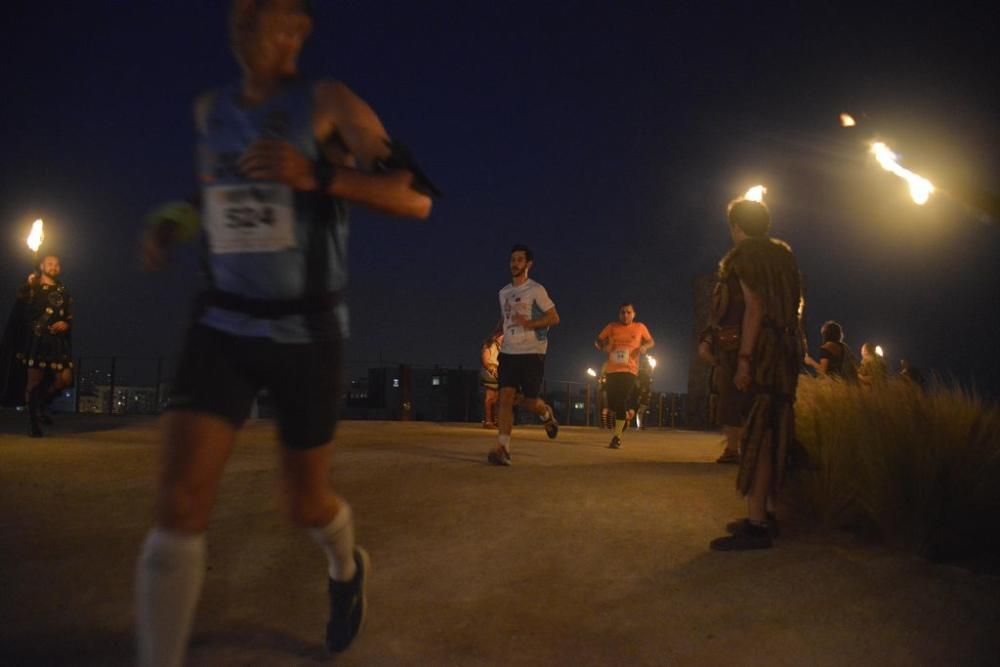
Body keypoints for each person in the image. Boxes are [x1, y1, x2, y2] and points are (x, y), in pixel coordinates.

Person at [135, 2, 436, 664]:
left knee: (302, 503)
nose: (289, 33)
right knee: (179, 501)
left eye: (282, 19)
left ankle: (346, 562)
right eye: (254, 17)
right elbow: (211, 190)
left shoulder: (327, 101)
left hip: (307, 328)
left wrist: (316, 173)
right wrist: (171, 223)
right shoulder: (209, 111)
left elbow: (414, 195)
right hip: (220, 319)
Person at [704, 198, 803, 551]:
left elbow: (754, 308)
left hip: (760, 354)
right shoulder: (785, 259)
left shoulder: (745, 258)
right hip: (785, 354)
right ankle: (769, 512)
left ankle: (757, 523)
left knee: (756, 434)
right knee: (775, 430)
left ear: (737, 227)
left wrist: (744, 359)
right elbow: (793, 307)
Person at [488, 244, 560, 466]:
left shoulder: (536, 290)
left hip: (532, 352)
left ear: (528, 264)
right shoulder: (503, 292)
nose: (514, 263)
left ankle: (546, 415)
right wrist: (494, 333)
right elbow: (506, 317)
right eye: (512, 259)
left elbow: (554, 318)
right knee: (505, 397)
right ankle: (503, 448)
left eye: (519, 260)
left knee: (530, 402)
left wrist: (530, 323)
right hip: (509, 351)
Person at [0, 254, 74, 437]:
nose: (54, 267)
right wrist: (28, 285)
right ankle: (33, 423)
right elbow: (21, 305)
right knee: (34, 382)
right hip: (37, 340)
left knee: (64, 379)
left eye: (57, 264)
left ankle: (40, 404)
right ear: (41, 266)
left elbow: (69, 317)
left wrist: (66, 324)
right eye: (50, 264)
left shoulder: (63, 290)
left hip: (57, 342)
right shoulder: (32, 286)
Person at [594, 303, 654, 448]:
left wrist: (645, 347)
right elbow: (597, 340)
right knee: (613, 403)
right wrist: (604, 347)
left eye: (628, 312)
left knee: (620, 399)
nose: (625, 315)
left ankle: (617, 437)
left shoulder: (640, 327)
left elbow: (651, 341)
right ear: (619, 314)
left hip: (630, 370)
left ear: (634, 314)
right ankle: (625, 416)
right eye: (622, 312)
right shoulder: (611, 327)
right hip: (612, 369)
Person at [480, 331, 503, 428]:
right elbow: (485, 359)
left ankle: (496, 419)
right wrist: (491, 369)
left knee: (497, 399)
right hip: (490, 373)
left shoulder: (502, 347)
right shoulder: (489, 345)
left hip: (498, 373)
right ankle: (488, 420)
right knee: (490, 398)